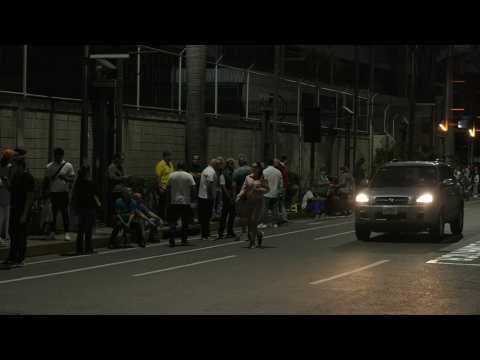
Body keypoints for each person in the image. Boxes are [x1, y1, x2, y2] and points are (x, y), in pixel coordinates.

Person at [2, 158, 34, 268]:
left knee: (21, 235)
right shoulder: (16, 177)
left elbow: (29, 197)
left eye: (15, 165)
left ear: (21, 166)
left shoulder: (28, 177)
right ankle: (12, 256)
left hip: (23, 210)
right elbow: (11, 189)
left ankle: (20, 258)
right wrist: (6, 182)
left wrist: (25, 214)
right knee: (13, 233)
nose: (12, 167)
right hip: (14, 208)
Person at [236, 162, 269, 249]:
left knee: (253, 221)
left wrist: (259, 189)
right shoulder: (248, 177)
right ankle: (259, 234)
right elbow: (244, 188)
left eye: (255, 167)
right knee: (249, 222)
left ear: (259, 168)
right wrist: (239, 195)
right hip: (248, 202)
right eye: (252, 167)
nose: (253, 169)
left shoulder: (263, 178)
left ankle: (252, 242)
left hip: (258, 202)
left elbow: (267, 189)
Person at [45, 147, 75, 241]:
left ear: (62, 156)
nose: (57, 158)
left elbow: (72, 179)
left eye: (59, 156)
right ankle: (52, 232)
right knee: (53, 213)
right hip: (54, 193)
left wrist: (65, 178)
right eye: (55, 156)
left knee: (64, 213)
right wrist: (46, 190)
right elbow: (47, 180)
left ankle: (67, 233)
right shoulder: (49, 166)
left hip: (63, 193)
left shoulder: (68, 165)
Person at [71, 164, 101, 255]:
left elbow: (75, 196)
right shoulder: (89, 183)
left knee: (81, 229)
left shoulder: (78, 183)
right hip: (89, 207)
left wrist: (75, 207)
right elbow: (95, 194)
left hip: (81, 207)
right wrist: (98, 204)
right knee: (88, 229)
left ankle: (79, 248)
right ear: (87, 172)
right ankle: (88, 248)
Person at [166, 162, 196, 247]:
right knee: (185, 221)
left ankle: (172, 239)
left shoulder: (171, 175)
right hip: (185, 202)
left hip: (174, 201)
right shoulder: (188, 175)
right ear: (184, 167)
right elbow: (193, 187)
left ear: (177, 167)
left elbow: (168, 188)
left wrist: (168, 200)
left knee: (173, 221)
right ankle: (184, 240)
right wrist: (193, 199)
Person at [259, 159, 283, 229]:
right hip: (275, 193)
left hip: (266, 193)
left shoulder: (264, 171)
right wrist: (279, 192)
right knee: (275, 209)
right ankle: (274, 223)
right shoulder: (278, 172)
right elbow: (281, 185)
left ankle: (263, 223)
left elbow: (261, 182)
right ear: (273, 164)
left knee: (264, 209)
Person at [198, 159, 218, 240]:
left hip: (201, 196)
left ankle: (205, 234)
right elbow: (209, 184)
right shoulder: (211, 171)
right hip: (207, 197)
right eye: (216, 164)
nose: (217, 165)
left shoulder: (205, 170)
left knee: (204, 216)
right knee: (207, 216)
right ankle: (205, 235)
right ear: (213, 164)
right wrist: (211, 195)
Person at [232, 155, 251, 240]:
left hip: (241, 195)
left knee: (243, 215)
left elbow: (234, 185)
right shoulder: (251, 170)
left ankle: (244, 232)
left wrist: (233, 196)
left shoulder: (236, 171)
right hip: (251, 194)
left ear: (239, 163)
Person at [217, 158, 236, 240]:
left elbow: (234, 185)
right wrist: (230, 197)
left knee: (232, 215)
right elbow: (223, 187)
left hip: (232, 197)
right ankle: (221, 232)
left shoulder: (233, 173)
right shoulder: (223, 174)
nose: (233, 165)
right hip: (226, 198)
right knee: (224, 215)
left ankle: (230, 231)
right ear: (228, 164)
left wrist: (234, 196)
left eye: (233, 163)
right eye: (231, 164)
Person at [107, 153, 129, 226]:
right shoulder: (112, 167)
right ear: (117, 159)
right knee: (115, 207)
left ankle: (120, 221)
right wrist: (122, 178)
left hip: (122, 189)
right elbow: (111, 177)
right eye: (121, 159)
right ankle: (113, 222)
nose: (122, 161)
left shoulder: (120, 167)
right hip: (115, 190)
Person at [155, 151, 175, 223]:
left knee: (169, 204)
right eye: (169, 156)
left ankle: (168, 218)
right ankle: (161, 219)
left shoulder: (170, 164)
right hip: (163, 187)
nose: (170, 158)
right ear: (165, 156)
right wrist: (160, 187)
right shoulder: (161, 164)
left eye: (170, 156)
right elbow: (158, 177)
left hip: (170, 187)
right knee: (162, 204)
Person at [0, 149, 14, 247]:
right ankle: (3, 235)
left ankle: (5, 235)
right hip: (3, 193)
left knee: (6, 216)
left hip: (6, 193)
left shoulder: (9, 167)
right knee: (2, 217)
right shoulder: (7, 167)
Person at [276, 156, 289, 224]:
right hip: (281, 187)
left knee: (281, 202)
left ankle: (283, 217)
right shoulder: (280, 167)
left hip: (283, 187)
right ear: (285, 160)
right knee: (279, 203)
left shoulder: (283, 167)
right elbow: (281, 178)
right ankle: (281, 218)